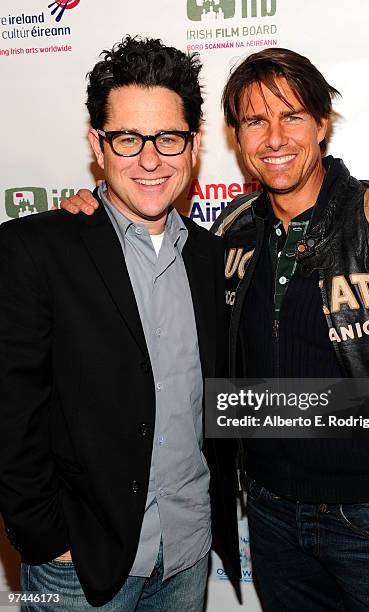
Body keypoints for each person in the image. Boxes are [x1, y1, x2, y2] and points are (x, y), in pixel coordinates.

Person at [60, 47, 369, 611]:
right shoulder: (230, 232)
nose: (274, 138)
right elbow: (142, 233)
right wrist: (95, 216)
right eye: (254, 120)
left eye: (291, 115)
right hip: (269, 519)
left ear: (322, 124)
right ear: (233, 137)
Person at [0, 36, 239, 611]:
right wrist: (46, 539)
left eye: (168, 138)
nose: (150, 159)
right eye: (128, 138)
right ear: (98, 145)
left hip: (187, 554)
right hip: (78, 568)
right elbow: (9, 409)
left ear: (195, 144)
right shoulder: (36, 249)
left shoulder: (215, 258)